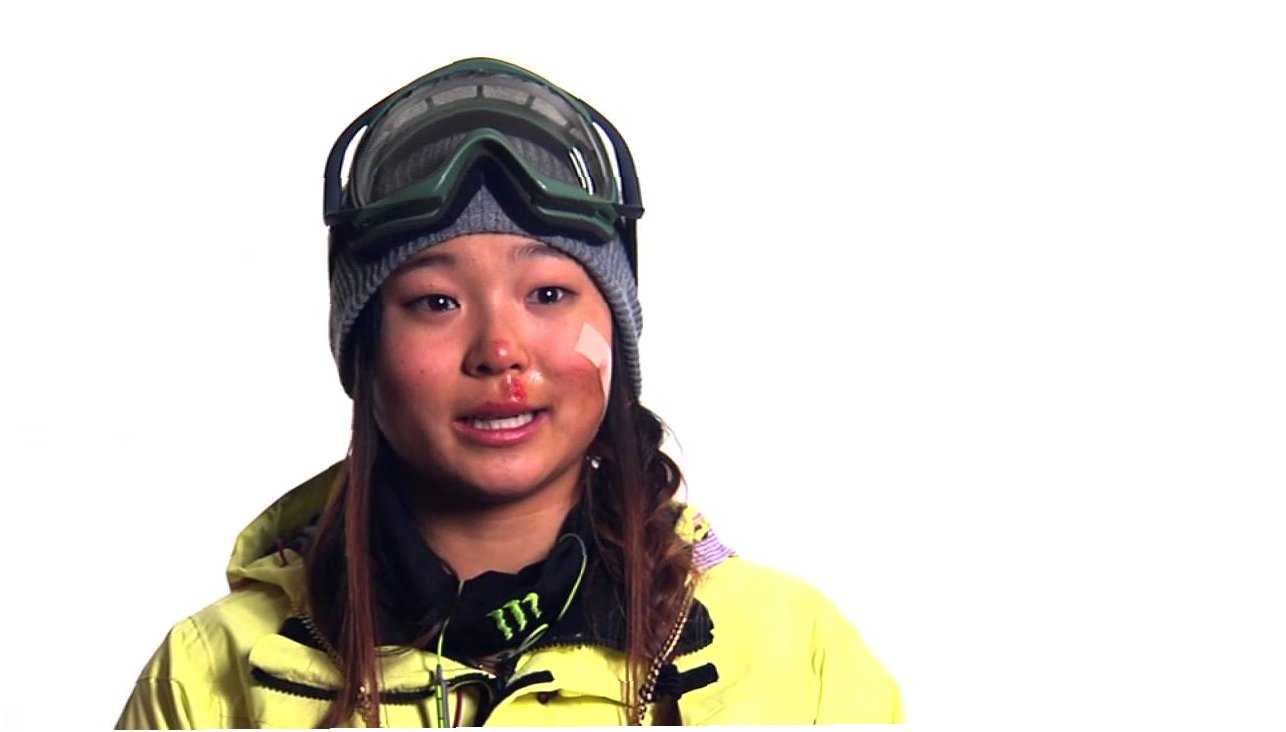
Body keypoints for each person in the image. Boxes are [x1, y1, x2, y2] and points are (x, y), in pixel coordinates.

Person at [116, 57, 903, 728]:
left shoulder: (798, 658)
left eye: (549, 294)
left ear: (617, 333)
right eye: (436, 302)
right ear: (365, 349)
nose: (499, 350)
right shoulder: (210, 675)